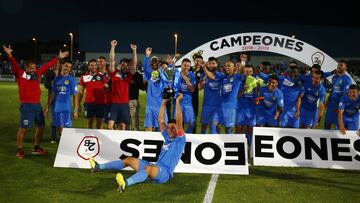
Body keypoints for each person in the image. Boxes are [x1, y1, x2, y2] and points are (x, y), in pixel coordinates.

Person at [89, 93, 186, 192]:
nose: (170, 130)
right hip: (155, 166)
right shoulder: (167, 137)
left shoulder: (180, 140)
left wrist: (177, 102)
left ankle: (125, 184)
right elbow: (161, 120)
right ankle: (98, 166)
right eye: (168, 128)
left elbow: (178, 121)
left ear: (178, 129)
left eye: (173, 128)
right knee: (129, 160)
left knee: (148, 168)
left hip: (165, 173)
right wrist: (164, 102)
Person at [2, 45, 68, 159]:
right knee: (23, 128)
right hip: (26, 105)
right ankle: (20, 149)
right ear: (26, 67)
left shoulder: (37, 74)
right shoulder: (21, 74)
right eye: (31, 68)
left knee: (41, 126)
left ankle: (36, 147)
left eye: (34, 67)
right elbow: (14, 64)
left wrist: (58, 57)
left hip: (37, 105)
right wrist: (9, 55)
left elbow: (48, 65)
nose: (34, 69)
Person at [202, 61, 242, 134]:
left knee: (228, 130)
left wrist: (241, 65)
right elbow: (212, 76)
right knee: (216, 126)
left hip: (231, 107)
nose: (226, 67)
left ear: (233, 67)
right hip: (220, 107)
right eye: (225, 66)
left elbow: (246, 73)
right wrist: (204, 68)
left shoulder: (238, 77)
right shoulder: (222, 77)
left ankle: (229, 145)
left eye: (229, 66)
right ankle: (218, 144)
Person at [107, 40, 136, 130]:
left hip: (124, 104)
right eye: (122, 63)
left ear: (127, 66)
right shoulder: (114, 73)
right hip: (114, 104)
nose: (124, 65)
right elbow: (112, 61)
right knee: (110, 126)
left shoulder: (129, 75)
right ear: (120, 64)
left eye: (126, 64)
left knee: (123, 126)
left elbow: (134, 64)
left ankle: (118, 143)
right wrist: (112, 47)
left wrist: (134, 51)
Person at [45, 59, 79, 134]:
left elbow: (75, 95)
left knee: (64, 130)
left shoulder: (71, 80)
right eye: (66, 66)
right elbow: (52, 94)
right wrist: (47, 107)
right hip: (56, 109)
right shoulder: (56, 79)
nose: (67, 68)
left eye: (69, 67)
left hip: (66, 109)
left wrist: (75, 110)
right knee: (59, 129)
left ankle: (65, 144)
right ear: (61, 65)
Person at [143, 47, 170, 131]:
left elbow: (168, 83)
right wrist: (147, 56)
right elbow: (146, 68)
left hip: (160, 105)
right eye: (152, 61)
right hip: (150, 105)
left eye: (156, 61)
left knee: (162, 128)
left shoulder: (164, 74)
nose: (154, 63)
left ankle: (162, 143)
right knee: (149, 127)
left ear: (159, 63)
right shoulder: (149, 74)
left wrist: (167, 67)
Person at [78, 59, 108, 129]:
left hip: (100, 103)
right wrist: (78, 104)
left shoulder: (101, 76)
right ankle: (90, 138)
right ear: (88, 66)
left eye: (95, 65)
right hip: (89, 103)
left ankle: (99, 139)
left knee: (100, 122)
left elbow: (106, 87)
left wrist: (106, 87)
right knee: (89, 122)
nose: (94, 67)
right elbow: (81, 91)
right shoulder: (84, 77)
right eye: (91, 65)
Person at [325, 60, 353, 129]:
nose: (339, 66)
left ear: (345, 68)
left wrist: (340, 107)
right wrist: (328, 100)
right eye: (338, 65)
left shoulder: (347, 80)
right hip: (331, 105)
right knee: (327, 125)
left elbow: (346, 95)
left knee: (339, 127)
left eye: (341, 65)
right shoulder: (334, 77)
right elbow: (333, 90)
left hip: (339, 106)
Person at [198, 57, 221, 134]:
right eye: (210, 63)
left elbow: (212, 77)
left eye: (213, 63)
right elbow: (199, 87)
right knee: (204, 127)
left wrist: (204, 67)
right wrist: (203, 81)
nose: (211, 65)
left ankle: (216, 144)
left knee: (214, 128)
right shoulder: (204, 75)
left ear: (217, 64)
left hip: (217, 107)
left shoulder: (220, 75)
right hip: (206, 106)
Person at [173, 58, 196, 133]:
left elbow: (192, 89)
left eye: (188, 66)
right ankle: (178, 138)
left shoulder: (192, 75)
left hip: (187, 102)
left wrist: (185, 77)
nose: (186, 67)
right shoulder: (176, 74)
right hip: (177, 102)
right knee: (176, 123)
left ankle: (186, 136)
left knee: (191, 123)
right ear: (181, 65)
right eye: (184, 65)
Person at [128, 50, 146, 131]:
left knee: (135, 122)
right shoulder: (125, 74)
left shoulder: (138, 75)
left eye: (134, 64)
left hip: (133, 100)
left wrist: (135, 83)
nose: (132, 65)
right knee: (125, 122)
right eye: (131, 64)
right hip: (123, 101)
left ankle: (136, 135)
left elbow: (142, 87)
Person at [43, 61, 60, 143]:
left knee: (63, 118)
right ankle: (53, 137)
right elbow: (46, 85)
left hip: (63, 98)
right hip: (53, 98)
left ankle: (62, 135)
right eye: (55, 63)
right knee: (54, 118)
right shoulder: (48, 73)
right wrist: (54, 82)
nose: (56, 65)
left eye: (58, 63)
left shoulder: (62, 72)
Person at [190, 54, 204, 133]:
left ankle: (193, 133)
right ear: (194, 61)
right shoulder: (189, 68)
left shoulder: (202, 71)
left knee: (194, 116)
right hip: (187, 95)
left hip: (195, 96)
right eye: (196, 61)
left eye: (200, 61)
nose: (198, 62)